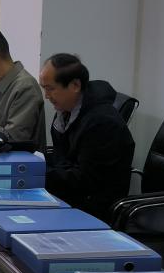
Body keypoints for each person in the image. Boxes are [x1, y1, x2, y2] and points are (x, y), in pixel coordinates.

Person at [40, 53, 135, 222]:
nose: (46, 95)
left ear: (75, 85)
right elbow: (63, 160)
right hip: (70, 195)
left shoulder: (102, 123)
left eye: (50, 88)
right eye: (44, 88)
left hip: (93, 208)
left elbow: (85, 181)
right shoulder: (65, 112)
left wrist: (38, 174)